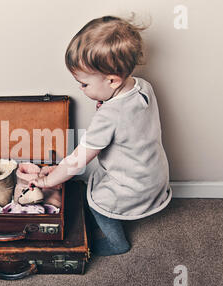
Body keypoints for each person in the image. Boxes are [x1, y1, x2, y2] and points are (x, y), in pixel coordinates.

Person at [28, 15, 172, 256]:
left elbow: (78, 159)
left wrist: (49, 181)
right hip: (153, 172)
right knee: (98, 182)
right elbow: (129, 117)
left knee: (97, 203)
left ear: (112, 80)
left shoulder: (108, 117)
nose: (80, 89)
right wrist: (106, 101)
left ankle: (118, 244)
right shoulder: (142, 86)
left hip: (133, 185)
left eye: (84, 84)